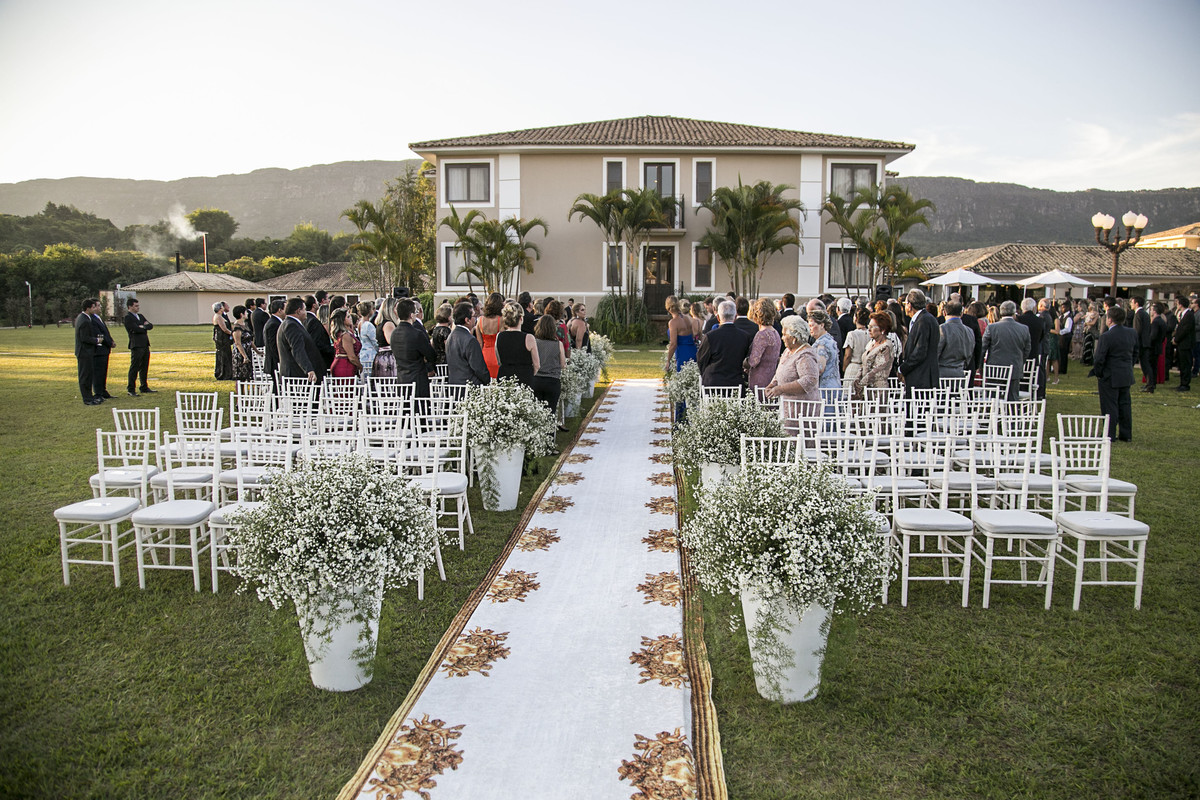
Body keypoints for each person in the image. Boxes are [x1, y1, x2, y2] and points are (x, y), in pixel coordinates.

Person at [765, 314, 821, 435]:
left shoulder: (805, 355)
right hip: (788, 407)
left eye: (785, 334)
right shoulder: (788, 351)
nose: (782, 337)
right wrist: (772, 384)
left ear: (794, 337)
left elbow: (809, 381)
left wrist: (780, 389)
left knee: (797, 444)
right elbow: (781, 370)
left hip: (801, 410)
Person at [1090, 306, 1137, 442]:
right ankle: (1126, 433)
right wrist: (1129, 366)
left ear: (1109, 320)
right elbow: (1135, 352)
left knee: (1109, 405)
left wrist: (1099, 373)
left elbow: (1099, 358)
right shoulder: (1131, 333)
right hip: (1125, 373)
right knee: (1125, 404)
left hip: (1110, 375)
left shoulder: (1107, 336)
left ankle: (1109, 433)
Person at [982, 300, 1031, 400]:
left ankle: (992, 414)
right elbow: (1027, 349)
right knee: (1012, 397)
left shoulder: (992, 328)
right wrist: (1021, 361)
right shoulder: (1024, 328)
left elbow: (983, 348)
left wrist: (981, 366)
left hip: (994, 368)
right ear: (1014, 312)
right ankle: (1011, 414)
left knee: (992, 397)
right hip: (1015, 367)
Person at [697, 300, 751, 389]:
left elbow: (701, 360)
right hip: (735, 383)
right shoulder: (744, 336)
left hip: (712, 383)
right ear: (735, 317)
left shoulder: (710, 336)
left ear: (718, 317)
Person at [391, 298, 436, 397]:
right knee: (420, 409)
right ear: (411, 315)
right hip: (417, 377)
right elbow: (430, 354)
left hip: (402, 378)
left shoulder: (394, 333)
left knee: (405, 408)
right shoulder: (416, 334)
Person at [898, 288, 939, 393]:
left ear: (910, 305)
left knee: (917, 408)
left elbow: (920, 351)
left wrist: (903, 368)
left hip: (921, 376)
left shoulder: (923, 321)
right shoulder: (926, 319)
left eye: (905, 304)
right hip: (923, 375)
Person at [532, 313, 566, 432]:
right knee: (550, 413)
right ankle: (549, 443)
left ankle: (536, 440)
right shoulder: (558, 344)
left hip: (536, 380)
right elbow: (562, 364)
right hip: (552, 381)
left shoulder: (534, 342)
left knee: (536, 412)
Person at [495, 301, 539, 390]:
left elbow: (499, 360)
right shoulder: (529, 338)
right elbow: (537, 365)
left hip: (504, 377)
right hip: (524, 378)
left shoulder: (499, 336)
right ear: (521, 318)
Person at [277, 297, 322, 383]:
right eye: (304, 310)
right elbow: (297, 349)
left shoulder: (290, 323)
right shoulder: (291, 326)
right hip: (295, 375)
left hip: (296, 374)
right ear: (298, 311)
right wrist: (308, 369)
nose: (306, 313)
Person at [446, 302, 490, 386]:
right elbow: (479, 368)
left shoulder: (450, 337)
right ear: (467, 320)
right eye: (474, 316)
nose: (476, 318)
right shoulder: (470, 340)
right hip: (470, 387)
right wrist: (489, 382)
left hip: (454, 386)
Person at [853, 312, 896, 400]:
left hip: (877, 390)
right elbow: (864, 363)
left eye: (872, 327)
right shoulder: (871, 343)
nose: (869, 329)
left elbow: (877, 369)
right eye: (869, 326)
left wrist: (861, 383)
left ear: (882, 329)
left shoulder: (886, 346)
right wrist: (857, 378)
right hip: (866, 388)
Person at [746, 298, 782, 394]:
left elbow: (754, 361)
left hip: (760, 379)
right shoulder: (775, 333)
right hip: (772, 377)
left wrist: (745, 363)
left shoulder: (762, 335)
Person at [74, 298, 105, 405]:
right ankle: (87, 399)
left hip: (87, 352)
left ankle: (90, 396)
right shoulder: (84, 320)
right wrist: (97, 340)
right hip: (84, 352)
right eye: (93, 307)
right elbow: (84, 338)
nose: (94, 309)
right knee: (85, 376)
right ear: (88, 308)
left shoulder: (83, 318)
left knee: (88, 375)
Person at [123, 298, 155, 396]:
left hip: (145, 344)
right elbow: (135, 329)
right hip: (136, 345)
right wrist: (142, 327)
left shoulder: (140, 316)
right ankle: (131, 388)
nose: (138, 308)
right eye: (136, 306)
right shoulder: (128, 318)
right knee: (135, 367)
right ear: (130, 307)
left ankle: (144, 386)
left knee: (144, 366)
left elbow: (150, 326)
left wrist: (143, 326)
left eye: (138, 306)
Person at [937, 299, 975, 380]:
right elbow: (970, 353)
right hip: (960, 373)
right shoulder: (969, 331)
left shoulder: (942, 329)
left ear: (944, 312)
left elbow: (936, 352)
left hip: (941, 374)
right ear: (961, 314)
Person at [806, 308, 841, 389]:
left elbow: (820, 368)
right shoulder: (830, 340)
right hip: (834, 384)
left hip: (824, 387)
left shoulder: (822, 343)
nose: (810, 329)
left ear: (822, 325)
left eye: (812, 325)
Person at [475, 292, 505, 379]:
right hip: (498, 355)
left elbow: (480, 343)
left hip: (485, 355)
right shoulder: (502, 320)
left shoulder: (480, 320)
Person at [304, 295, 335, 371]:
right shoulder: (313, 321)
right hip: (319, 359)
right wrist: (333, 350)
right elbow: (316, 342)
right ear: (314, 305)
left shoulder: (305, 319)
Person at [329, 307, 362, 379]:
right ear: (342, 320)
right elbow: (351, 357)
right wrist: (360, 366)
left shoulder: (344, 333)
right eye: (348, 317)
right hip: (345, 365)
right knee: (347, 389)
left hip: (343, 364)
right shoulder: (345, 335)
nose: (351, 318)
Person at [665, 297, 696, 372]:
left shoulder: (673, 322)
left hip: (682, 352)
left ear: (668, 308)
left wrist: (668, 360)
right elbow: (693, 334)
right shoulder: (687, 318)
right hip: (692, 350)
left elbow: (673, 344)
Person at [842, 307, 871, 386]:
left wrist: (844, 368)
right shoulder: (871, 334)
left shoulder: (852, 334)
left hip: (854, 366)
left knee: (850, 393)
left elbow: (847, 355)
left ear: (855, 318)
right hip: (867, 367)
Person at [372, 297, 398, 379]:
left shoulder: (381, 323)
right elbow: (391, 341)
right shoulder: (388, 324)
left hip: (383, 356)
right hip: (388, 357)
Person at [1172, 295, 1194, 391]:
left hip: (1186, 344)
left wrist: (1176, 339)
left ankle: (1185, 384)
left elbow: (1185, 330)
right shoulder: (1183, 314)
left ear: (1180, 305)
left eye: (1177, 304)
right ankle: (1182, 382)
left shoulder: (1189, 315)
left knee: (1185, 364)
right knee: (1182, 363)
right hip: (1182, 344)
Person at [262, 299, 285, 386]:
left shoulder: (275, 322)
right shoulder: (273, 324)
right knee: (277, 387)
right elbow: (274, 345)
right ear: (280, 310)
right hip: (275, 362)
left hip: (275, 361)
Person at [230, 305, 255, 381]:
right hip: (240, 354)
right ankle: (240, 392)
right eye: (246, 313)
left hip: (247, 351)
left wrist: (257, 351)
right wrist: (245, 356)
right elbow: (238, 343)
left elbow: (249, 341)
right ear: (241, 314)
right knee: (241, 375)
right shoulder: (237, 327)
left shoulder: (245, 325)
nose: (247, 314)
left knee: (248, 374)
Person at [356, 301, 377, 382]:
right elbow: (375, 341)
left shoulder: (360, 323)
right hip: (370, 354)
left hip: (363, 354)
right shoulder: (368, 325)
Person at [212, 301, 234, 380]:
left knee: (226, 354)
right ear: (220, 308)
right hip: (222, 338)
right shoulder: (218, 317)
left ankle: (226, 372)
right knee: (224, 355)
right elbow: (224, 329)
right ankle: (224, 373)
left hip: (222, 338)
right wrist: (232, 334)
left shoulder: (218, 316)